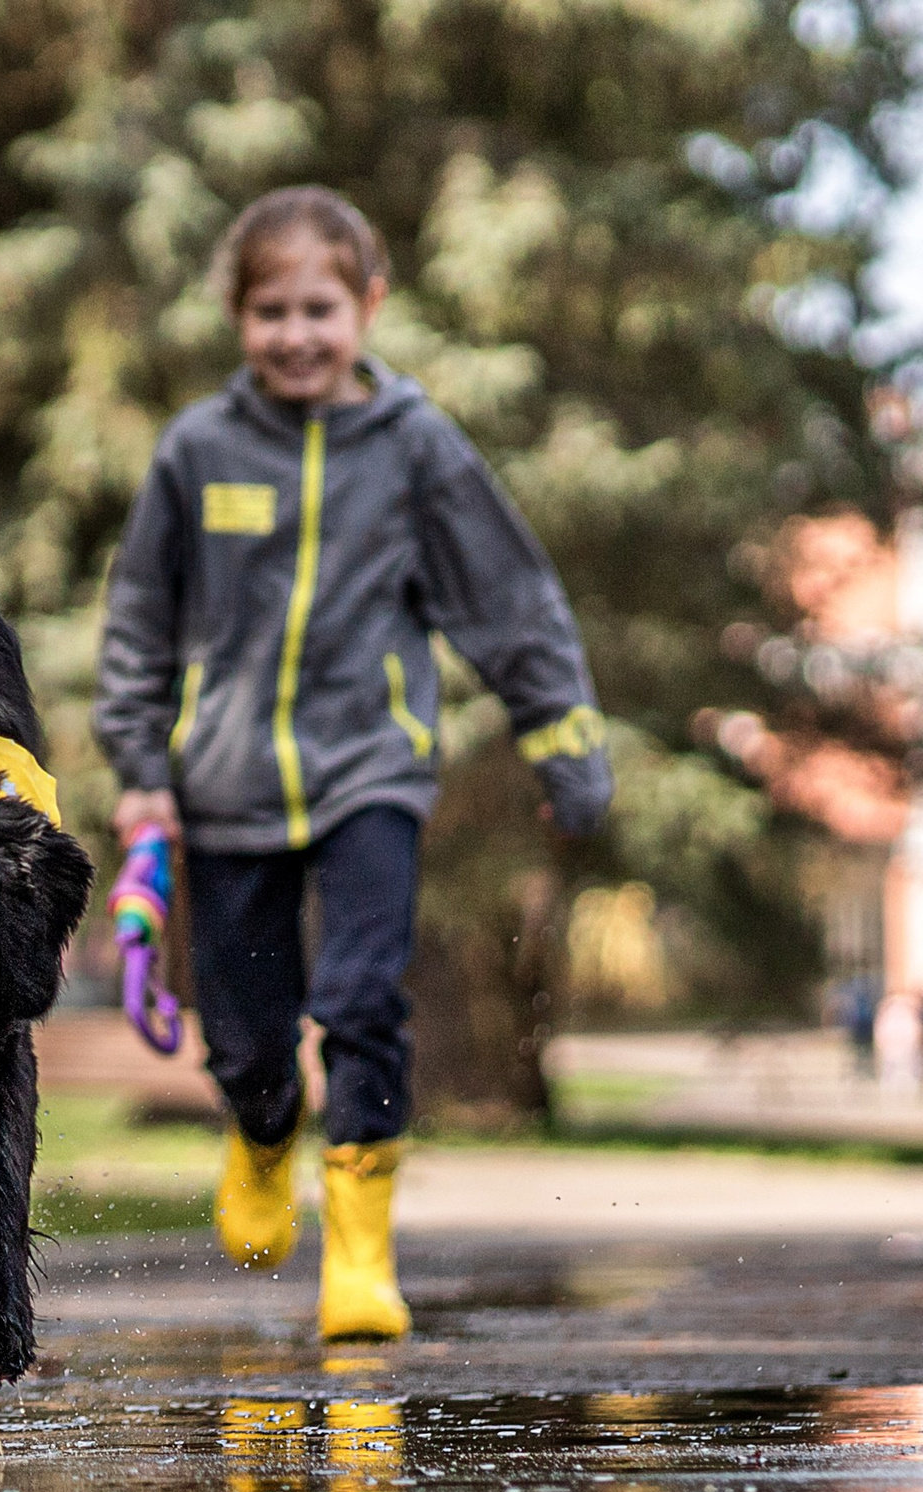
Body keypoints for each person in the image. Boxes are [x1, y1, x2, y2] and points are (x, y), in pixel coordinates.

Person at [94, 186, 612, 1340]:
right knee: (247, 1036)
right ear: (237, 316)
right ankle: (262, 1134)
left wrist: (563, 738)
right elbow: (136, 621)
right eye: (270, 309)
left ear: (367, 306)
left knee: (365, 999)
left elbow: (510, 598)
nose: (296, 333)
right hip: (222, 787)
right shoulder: (199, 451)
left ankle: (363, 1257)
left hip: (370, 769)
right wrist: (138, 767)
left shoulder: (415, 448)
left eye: (319, 307)